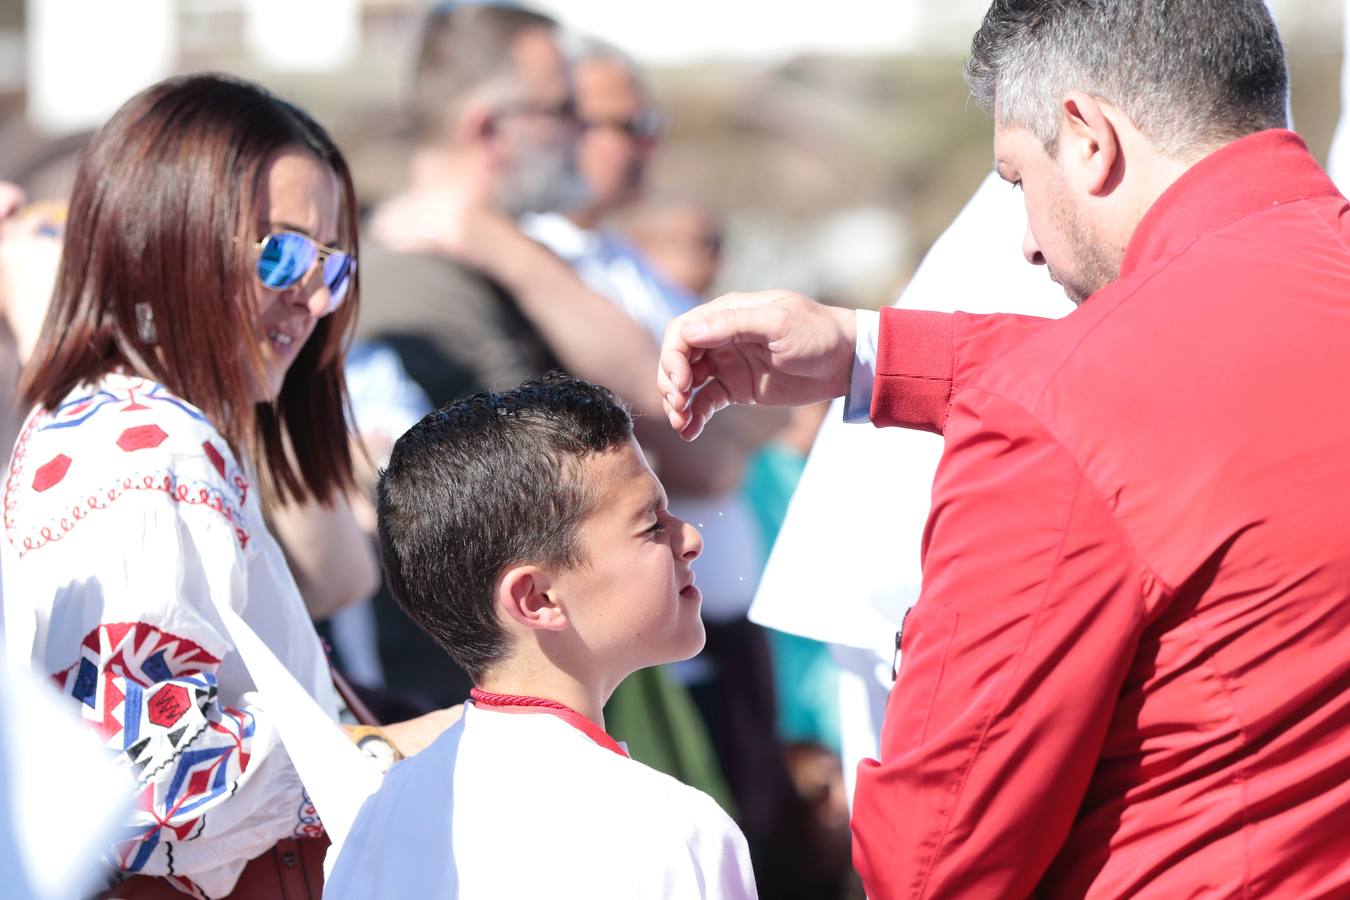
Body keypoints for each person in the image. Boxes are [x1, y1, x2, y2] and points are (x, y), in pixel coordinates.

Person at [657, 1, 1350, 896]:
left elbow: (936, 858)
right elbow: (1227, 367)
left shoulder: (1055, 413)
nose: (1024, 242)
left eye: (1018, 180)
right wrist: (873, 349)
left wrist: (935, 644)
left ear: (1089, 138)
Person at [2, 74, 455, 897]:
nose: (315, 299)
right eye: (280, 253)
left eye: (333, 266)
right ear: (160, 234)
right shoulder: (145, 453)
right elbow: (148, 789)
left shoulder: (128, 426)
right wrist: (398, 746)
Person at [353, 3, 681, 708]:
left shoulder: (500, 258)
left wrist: (505, 248)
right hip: (468, 691)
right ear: (486, 128)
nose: (580, 133)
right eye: (561, 109)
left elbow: (677, 406)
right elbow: (526, 498)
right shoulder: (416, 284)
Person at [326, 375, 758, 899]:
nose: (690, 539)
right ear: (537, 599)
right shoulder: (671, 830)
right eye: (650, 525)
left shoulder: (378, 815)